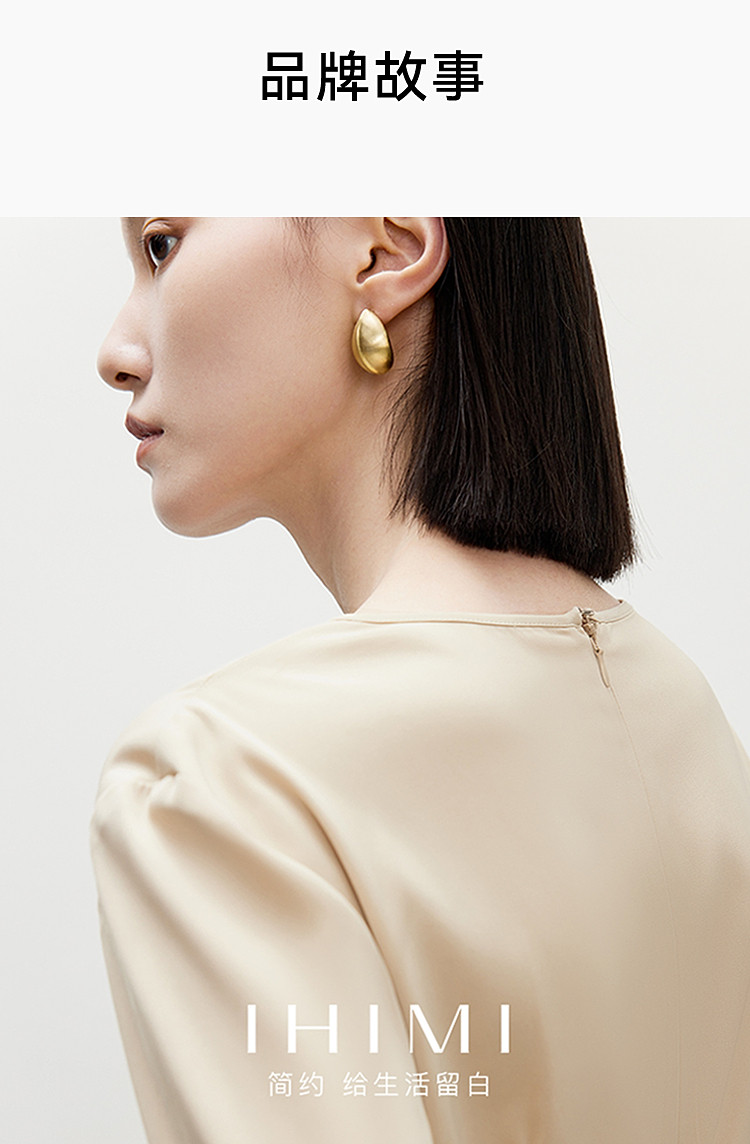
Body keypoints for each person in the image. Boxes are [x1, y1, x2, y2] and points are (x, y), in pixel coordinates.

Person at [91, 217, 750, 1144]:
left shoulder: (225, 782)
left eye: (162, 245)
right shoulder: (682, 713)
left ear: (386, 250)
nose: (115, 353)